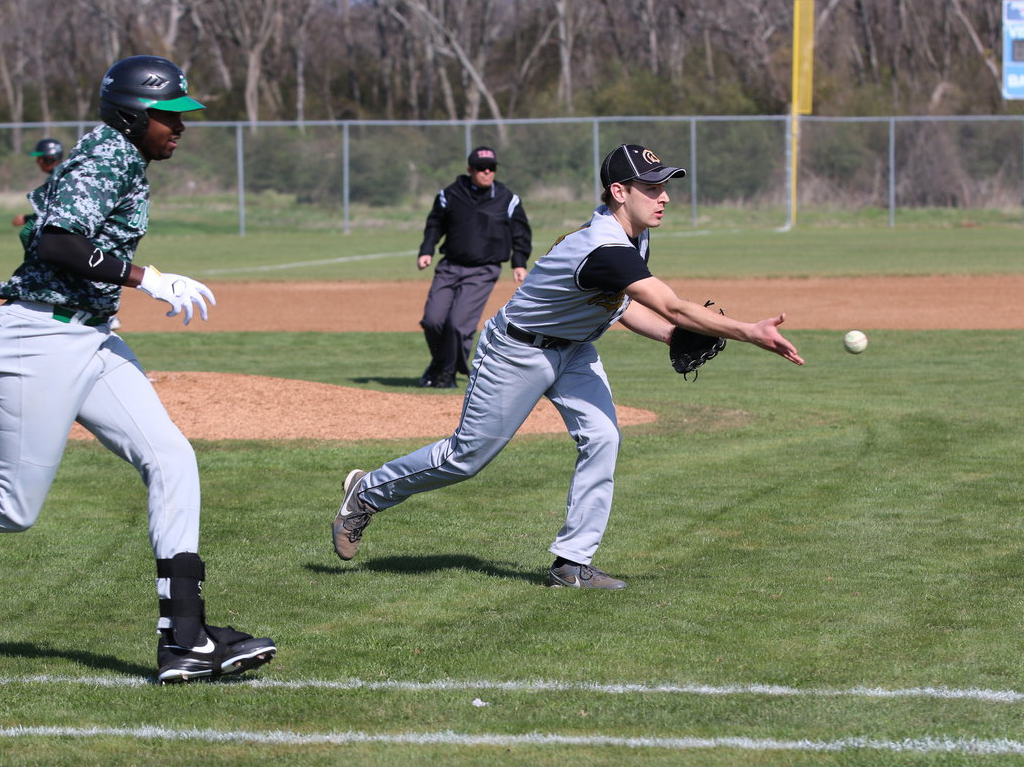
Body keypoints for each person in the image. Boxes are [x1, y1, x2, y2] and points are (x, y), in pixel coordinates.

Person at [0, 55, 276, 682]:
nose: (179, 126)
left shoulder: (123, 155)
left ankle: (185, 639)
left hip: (88, 338)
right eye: (166, 115)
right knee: (10, 508)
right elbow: (58, 242)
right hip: (40, 338)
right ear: (130, 114)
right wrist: (146, 276)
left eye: (181, 115)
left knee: (172, 458)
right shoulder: (108, 154)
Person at [332, 144, 804, 589]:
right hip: (517, 352)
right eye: (651, 187)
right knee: (467, 457)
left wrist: (668, 338)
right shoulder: (602, 246)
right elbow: (673, 307)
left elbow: (618, 305)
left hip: (575, 351)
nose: (663, 197)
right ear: (619, 192)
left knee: (603, 438)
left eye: (665, 187)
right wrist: (748, 331)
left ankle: (571, 563)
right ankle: (367, 492)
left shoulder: (630, 240)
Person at [416, 146, 532, 389]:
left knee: (458, 325)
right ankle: (439, 362)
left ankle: (446, 376)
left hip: (483, 270)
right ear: (470, 169)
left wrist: (519, 262)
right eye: (481, 168)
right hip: (449, 267)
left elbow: (520, 233)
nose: (487, 172)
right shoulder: (450, 194)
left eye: (491, 168)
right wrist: (427, 249)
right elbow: (434, 224)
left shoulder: (507, 198)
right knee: (432, 320)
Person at [11, 137, 64, 232]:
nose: (38, 161)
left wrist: (26, 219)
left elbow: (51, 212)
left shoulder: (56, 178)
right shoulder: (64, 172)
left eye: (41, 158)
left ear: (51, 158)